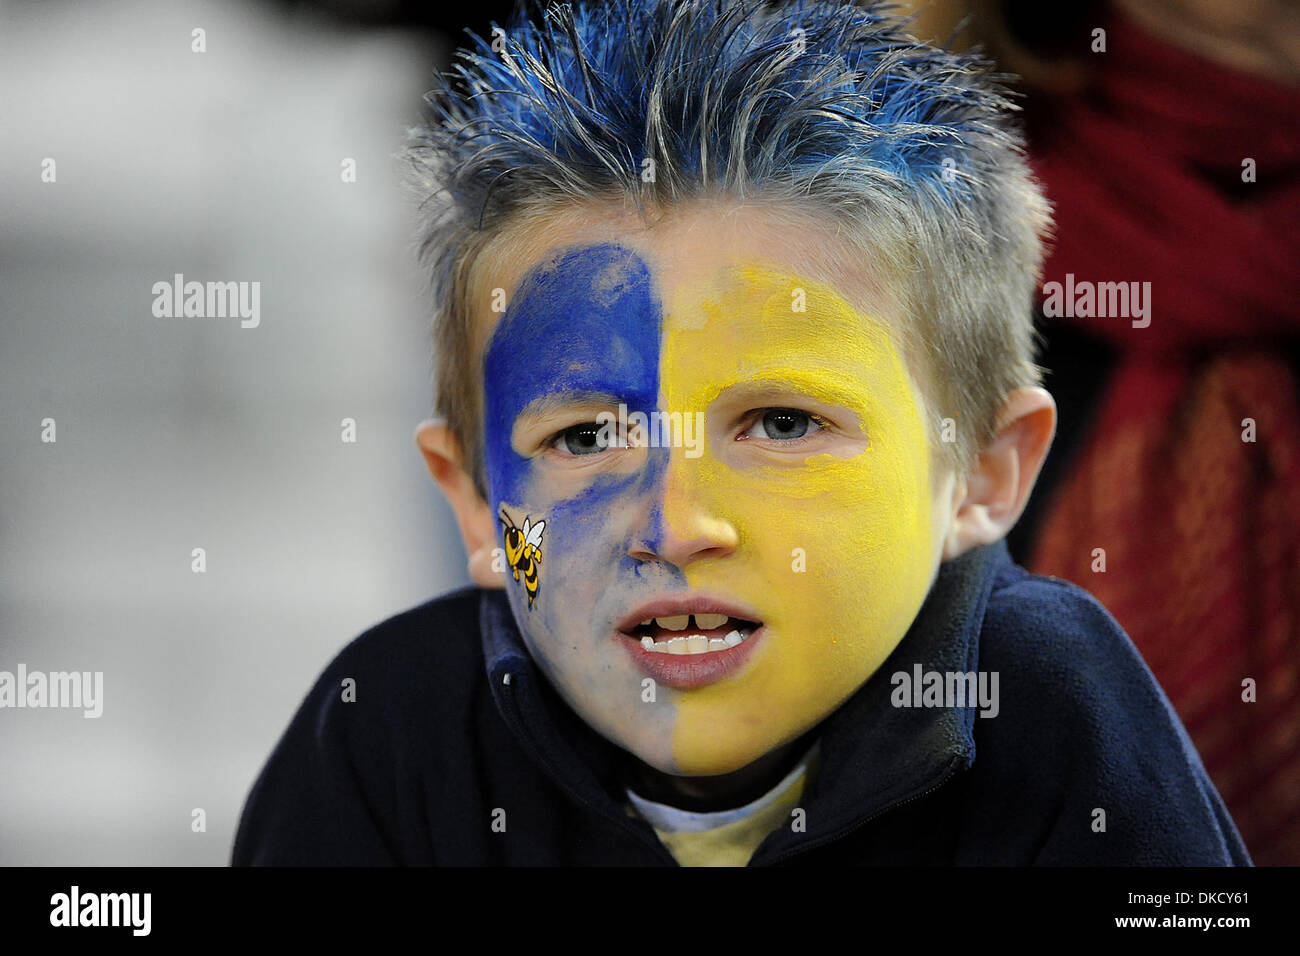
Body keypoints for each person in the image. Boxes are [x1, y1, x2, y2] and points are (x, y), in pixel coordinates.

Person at [231, 0, 1249, 866]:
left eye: (779, 422)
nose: (674, 525)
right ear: (474, 503)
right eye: (585, 438)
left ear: (983, 470)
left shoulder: (1058, 712)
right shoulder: (389, 731)